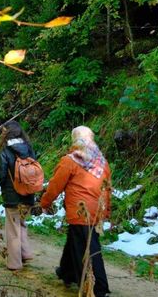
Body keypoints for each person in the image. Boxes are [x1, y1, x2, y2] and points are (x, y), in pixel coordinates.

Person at [40, 126, 111, 297]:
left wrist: (45, 202)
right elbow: (107, 189)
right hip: (95, 210)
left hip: (80, 211)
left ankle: (97, 288)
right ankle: (67, 272)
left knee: (87, 249)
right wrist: (105, 211)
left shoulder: (70, 161)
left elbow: (55, 185)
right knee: (75, 239)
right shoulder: (102, 162)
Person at [0, 120, 36, 271]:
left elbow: (1, 174)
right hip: (28, 194)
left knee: (13, 229)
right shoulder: (29, 149)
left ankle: (14, 263)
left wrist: (0, 188)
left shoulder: (6, 152)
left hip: (12, 196)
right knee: (21, 224)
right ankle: (25, 253)